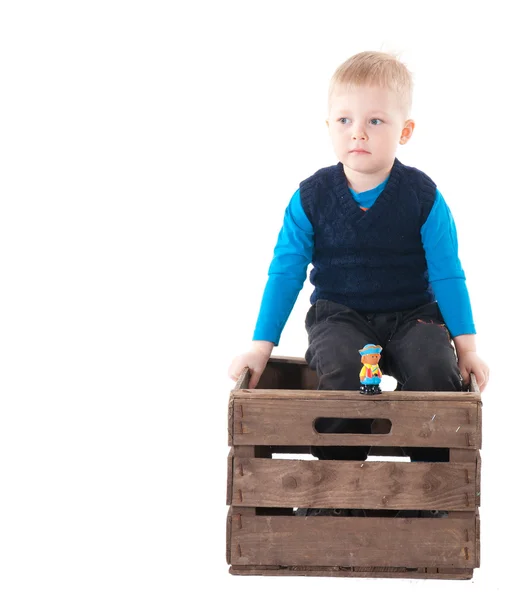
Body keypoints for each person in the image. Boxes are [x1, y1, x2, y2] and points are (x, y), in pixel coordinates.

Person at [228, 51, 489, 465]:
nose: (358, 134)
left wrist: (467, 347)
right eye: (345, 120)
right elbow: (285, 272)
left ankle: (435, 485)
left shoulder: (423, 198)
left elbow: (448, 275)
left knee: (435, 367)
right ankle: (338, 483)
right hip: (340, 315)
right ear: (329, 126)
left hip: (412, 314)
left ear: (404, 131)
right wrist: (261, 347)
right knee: (342, 370)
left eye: (375, 121)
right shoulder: (311, 198)